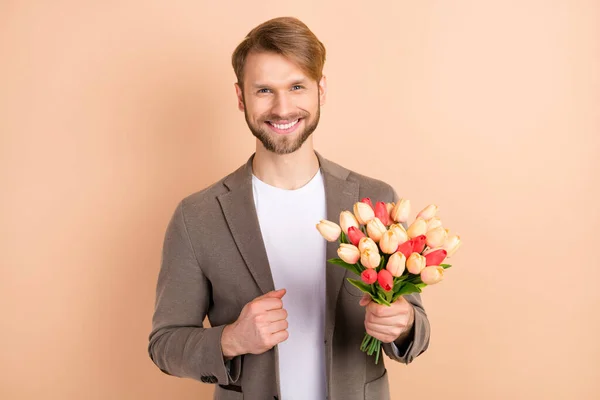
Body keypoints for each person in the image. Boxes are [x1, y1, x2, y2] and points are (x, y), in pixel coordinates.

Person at [148, 16, 430, 400]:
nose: (282, 108)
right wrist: (231, 339)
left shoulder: (374, 197)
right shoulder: (197, 215)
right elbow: (165, 343)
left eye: (297, 86)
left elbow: (416, 326)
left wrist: (405, 324)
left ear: (321, 90)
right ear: (240, 97)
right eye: (264, 90)